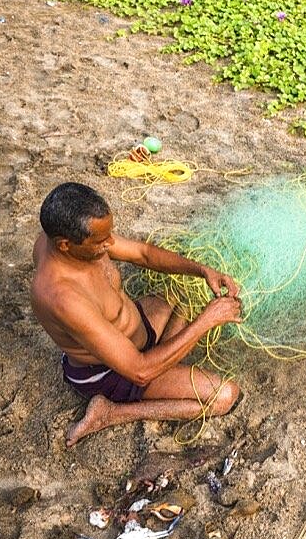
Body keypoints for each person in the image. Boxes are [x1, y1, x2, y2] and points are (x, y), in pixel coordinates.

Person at [31, 182, 244, 447]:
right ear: (65, 245)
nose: (110, 244)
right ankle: (110, 413)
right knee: (224, 395)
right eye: (100, 241)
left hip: (136, 334)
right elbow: (140, 371)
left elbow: (143, 254)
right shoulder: (62, 297)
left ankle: (165, 361)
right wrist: (208, 320)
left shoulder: (73, 240)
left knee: (179, 295)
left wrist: (202, 270)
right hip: (112, 372)